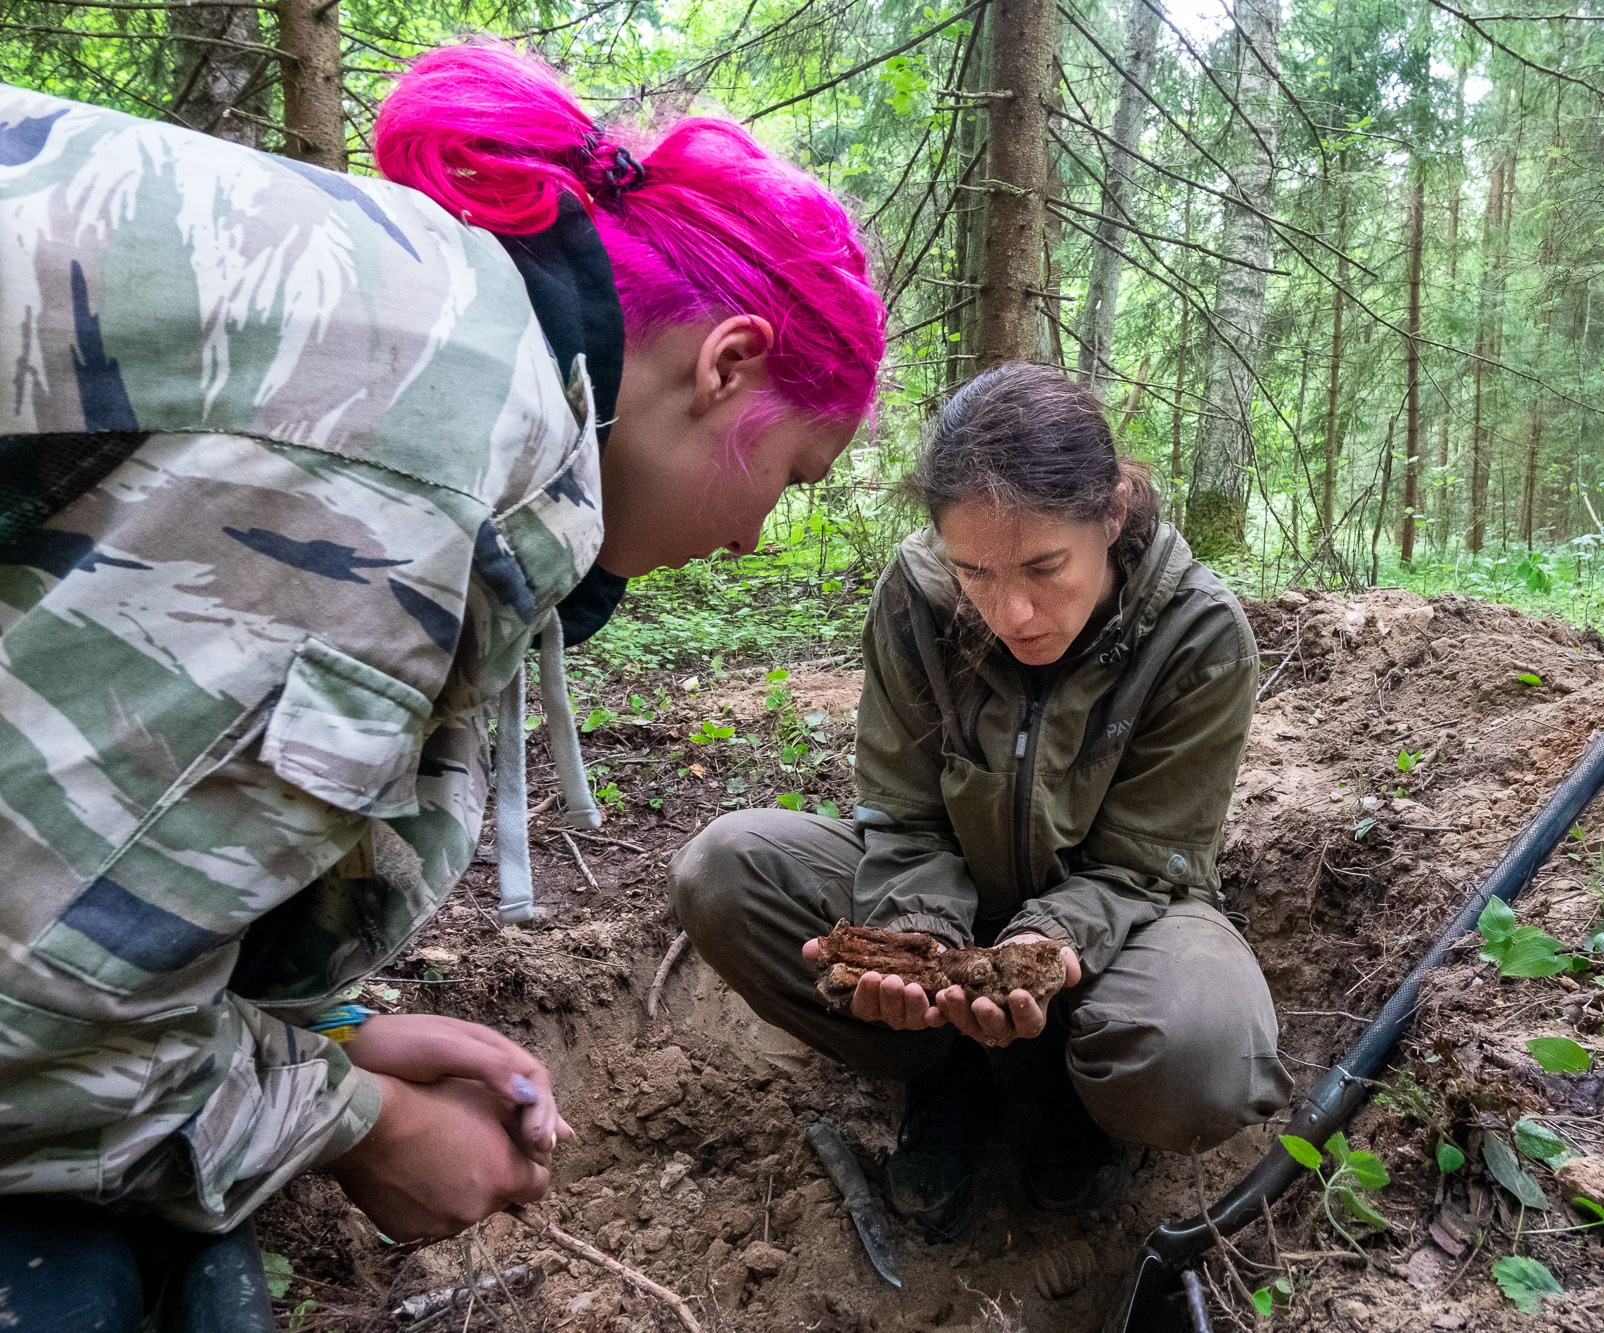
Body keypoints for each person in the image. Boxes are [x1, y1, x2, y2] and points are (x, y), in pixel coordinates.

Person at [0, 41, 884, 1330]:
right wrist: (355, 1124)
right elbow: (27, 1021)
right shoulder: (418, 462)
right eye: (789, 480)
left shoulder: (437, 321)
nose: (753, 539)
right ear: (729, 364)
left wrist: (332, 1040)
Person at [672, 364, 1291, 1243]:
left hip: (1126, 914)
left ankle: (1083, 1100)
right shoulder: (915, 600)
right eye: (975, 572)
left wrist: (1049, 948)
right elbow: (905, 817)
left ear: (1111, 514)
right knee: (723, 871)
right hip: (950, 900)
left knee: (1200, 1059)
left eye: (1046, 566)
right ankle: (944, 1076)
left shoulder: (1199, 632)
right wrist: (920, 950)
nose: (1015, 612)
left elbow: (1144, 864)